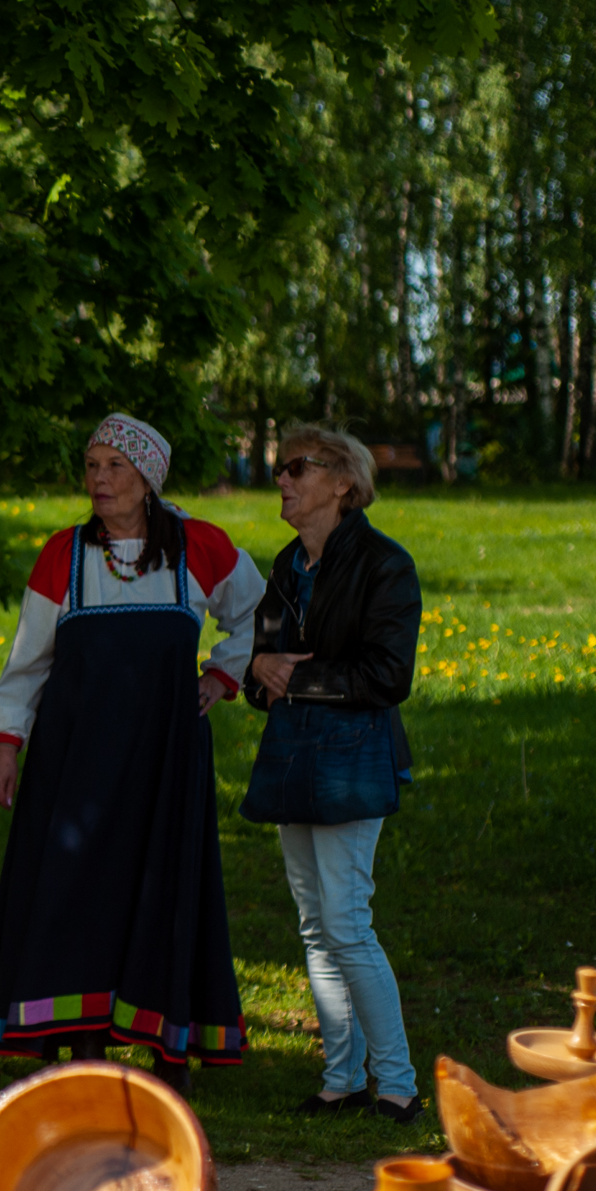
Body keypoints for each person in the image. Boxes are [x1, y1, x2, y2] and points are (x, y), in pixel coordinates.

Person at [0, 414, 267, 1093]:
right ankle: (77, 1044)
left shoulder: (199, 547)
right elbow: (26, 665)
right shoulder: (64, 555)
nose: (100, 479)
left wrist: (222, 675)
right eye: (93, 465)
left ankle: (167, 1050)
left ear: (148, 479)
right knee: (72, 890)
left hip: (165, 759)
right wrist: (6, 745)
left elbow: (260, 610)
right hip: (74, 765)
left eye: (115, 467)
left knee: (162, 887)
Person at [241, 427, 424, 1123]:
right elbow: (262, 669)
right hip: (294, 755)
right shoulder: (287, 565)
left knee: (347, 922)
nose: (281, 479)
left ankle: (398, 1082)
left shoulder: (386, 565)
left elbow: (388, 675)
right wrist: (265, 673)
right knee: (316, 926)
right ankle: (342, 1076)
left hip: (354, 756)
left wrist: (298, 674)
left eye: (296, 467)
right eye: (280, 467)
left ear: (344, 481)